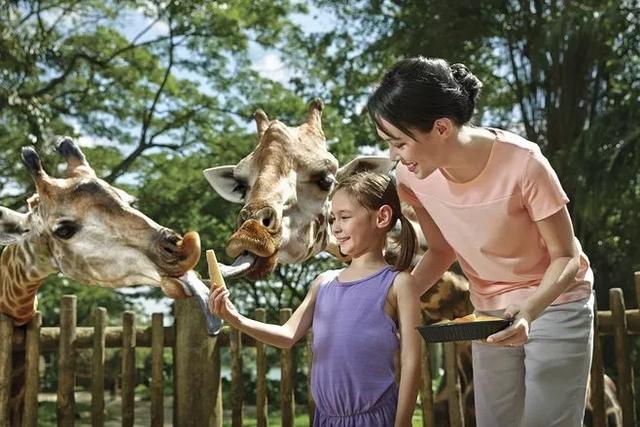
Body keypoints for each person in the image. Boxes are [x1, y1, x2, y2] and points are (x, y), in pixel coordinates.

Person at [367, 57, 594, 427]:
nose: (393, 156)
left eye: (400, 143)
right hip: (488, 308)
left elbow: (566, 257)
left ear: (441, 128)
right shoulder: (413, 179)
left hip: (556, 301)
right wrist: (389, 301)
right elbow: (441, 251)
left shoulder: (524, 163)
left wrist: (528, 312)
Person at [209, 171, 422, 427]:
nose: (336, 227)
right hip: (325, 419)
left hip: (377, 419)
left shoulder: (399, 283)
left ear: (382, 217)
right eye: (333, 218)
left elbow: (412, 362)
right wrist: (236, 319)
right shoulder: (324, 282)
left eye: (345, 217)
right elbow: (288, 336)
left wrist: (403, 423)